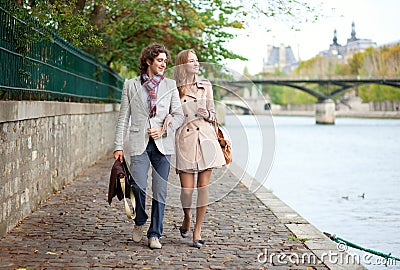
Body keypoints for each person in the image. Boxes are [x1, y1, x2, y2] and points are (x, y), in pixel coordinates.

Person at [113, 43, 184, 249]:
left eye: (165, 61)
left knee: (160, 190)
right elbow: (123, 118)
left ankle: (155, 234)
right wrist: (118, 146)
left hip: (163, 144)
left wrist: (163, 128)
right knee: (138, 186)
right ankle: (139, 221)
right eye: (160, 60)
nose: (164, 64)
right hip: (139, 142)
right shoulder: (131, 85)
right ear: (148, 61)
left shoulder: (170, 85)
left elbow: (179, 115)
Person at [174, 49, 226, 248]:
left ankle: (197, 231)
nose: (196, 64)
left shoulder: (206, 85)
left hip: (206, 138)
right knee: (187, 191)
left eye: (197, 61)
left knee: (203, 189)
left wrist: (208, 114)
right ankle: (187, 217)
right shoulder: (175, 88)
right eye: (191, 61)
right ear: (182, 65)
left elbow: (214, 115)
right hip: (185, 139)